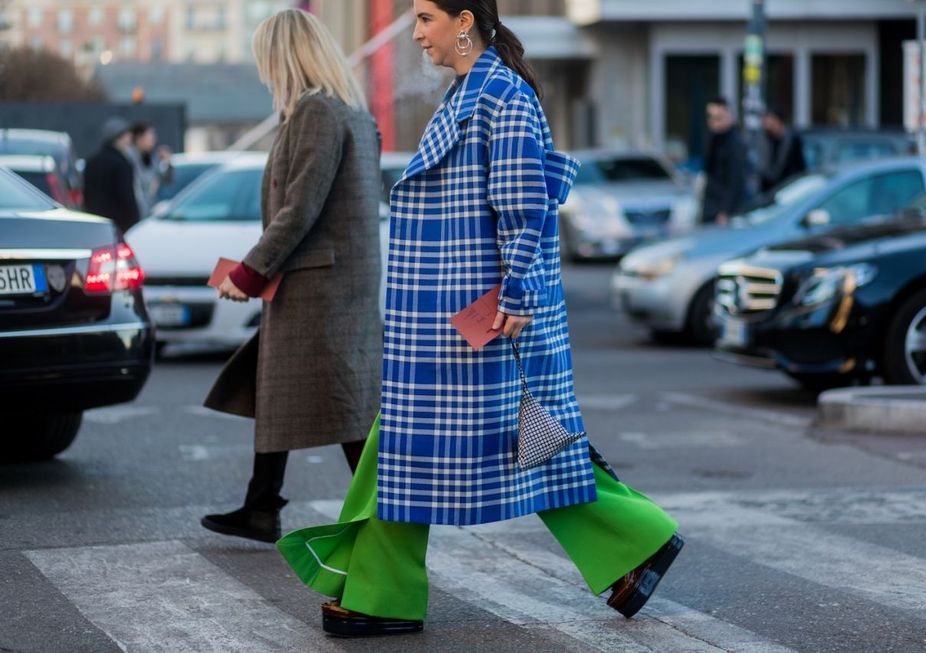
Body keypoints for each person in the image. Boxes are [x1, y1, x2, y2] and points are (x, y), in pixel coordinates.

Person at [275, 0, 683, 638]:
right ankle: (635, 542)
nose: (415, 33)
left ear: (464, 21)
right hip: (448, 315)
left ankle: (385, 594)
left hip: (480, 317)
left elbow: (526, 208)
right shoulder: (475, 90)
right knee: (484, 445)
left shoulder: (502, 95)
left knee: (503, 443)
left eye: (426, 18)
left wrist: (517, 297)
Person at [200, 8, 383, 544]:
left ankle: (388, 521)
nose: (262, 72)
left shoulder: (317, 113)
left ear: (283, 57)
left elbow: (300, 208)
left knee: (348, 412)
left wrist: (250, 272)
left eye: (264, 59)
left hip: (319, 291)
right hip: (325, 285)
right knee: (281, 390)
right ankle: (261, 504)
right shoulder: (346, 111)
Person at [83, 117, 141, 233]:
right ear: (119, 136)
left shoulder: (92, 160)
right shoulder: (121, 163)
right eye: (127, 134)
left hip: (94, 221)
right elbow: (127, 196)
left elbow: (86, 193)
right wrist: (135, 220)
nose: (130, 137)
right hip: (119, 224)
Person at [701, 97, 748, 225]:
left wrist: (725, 211)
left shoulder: (735, 143)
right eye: (710, 117)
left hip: (725, 209)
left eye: (718, 118)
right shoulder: (712, 138)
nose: (713, 122)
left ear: (729, 117)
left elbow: (735, 179)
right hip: (711, 205)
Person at [129, 122, 173, 218]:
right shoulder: (129, 158)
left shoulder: (151, 158)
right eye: (150, 138)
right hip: (136, 212)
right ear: (139, 138)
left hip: (149, 210)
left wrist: (167, 163)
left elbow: (167, 181)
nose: (154, 141)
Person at [760, 108, 806, 193]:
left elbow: (800, 166)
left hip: (788, 188)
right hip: (768, 190)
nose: (767, 124)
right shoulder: (765, 140)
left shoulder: (792, 140)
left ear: (778, 121)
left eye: (770, 120)